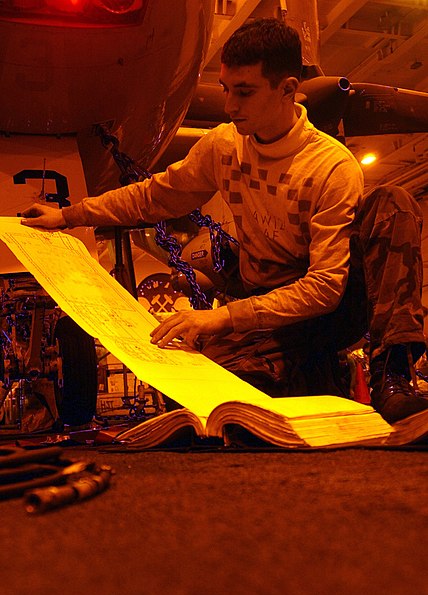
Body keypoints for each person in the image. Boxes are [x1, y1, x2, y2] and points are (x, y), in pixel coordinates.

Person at [21, 18, 428, 424]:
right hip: (267, 312)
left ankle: (392, 376)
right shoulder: (223, 147)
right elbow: (153, 197)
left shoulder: (331, 167)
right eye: (226, 90)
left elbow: (325, 289)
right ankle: (312, 373)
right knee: (220, 408)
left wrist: (222, 316)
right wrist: (68, 215)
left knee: (392, 202)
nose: (231, 106)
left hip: (329, 308)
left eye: (245, 92)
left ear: (287, 89)